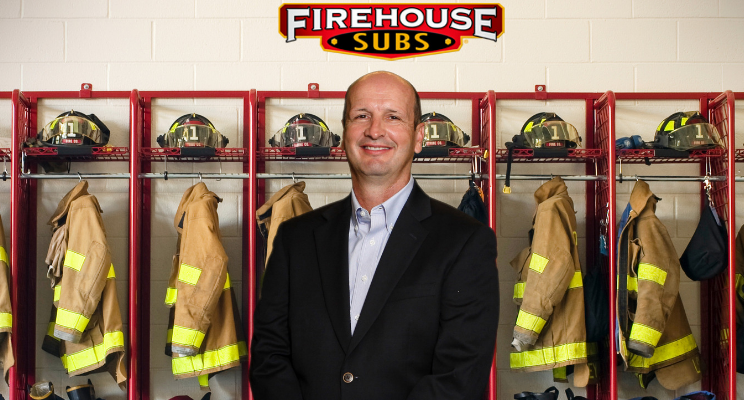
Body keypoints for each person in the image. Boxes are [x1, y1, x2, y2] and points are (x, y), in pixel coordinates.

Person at [250, 71, 499, 400]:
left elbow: (459, 375)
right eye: (361, 116)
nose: (375, 130)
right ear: (344, 134)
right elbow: (269, 357)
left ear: (419, 136)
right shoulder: (294, 239)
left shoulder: (466, 242)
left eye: (393, 116)